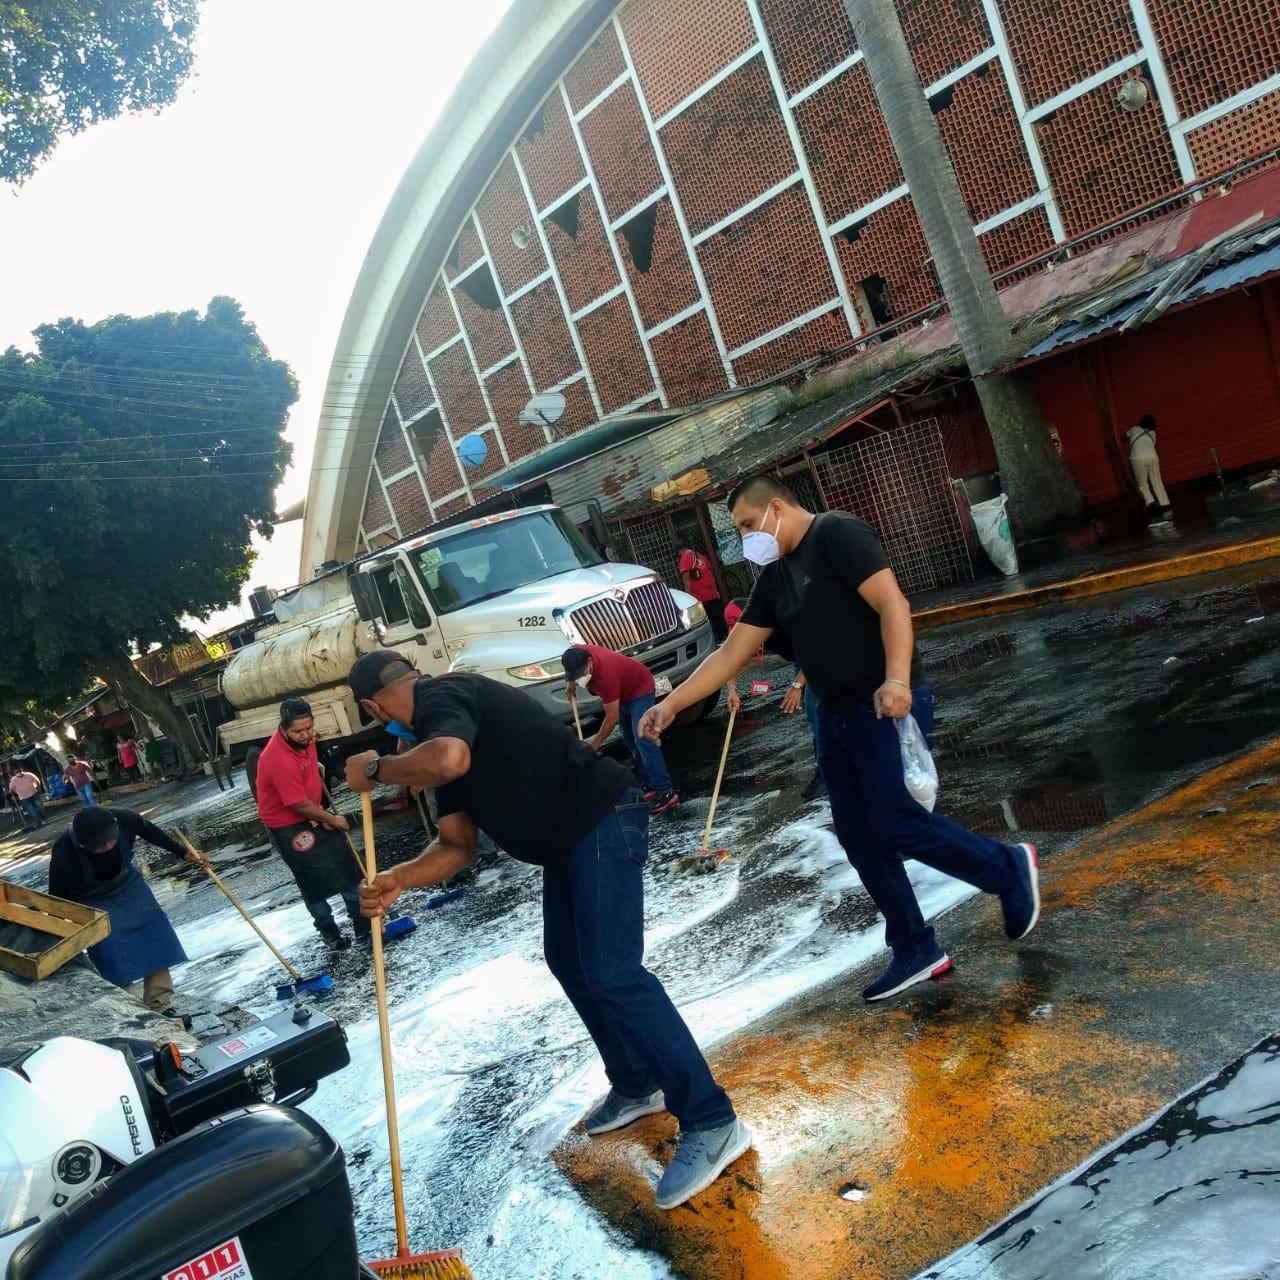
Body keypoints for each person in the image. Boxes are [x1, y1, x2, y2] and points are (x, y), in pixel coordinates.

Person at [343, 650, 750, 1210]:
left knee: (612, 973)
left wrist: (375, 771)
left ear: (373, 707)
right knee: (570, 961)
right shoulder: (435, 737)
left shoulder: (443, 696)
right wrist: (399, 878)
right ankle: (636, 1083)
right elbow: (456, 846)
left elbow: (450, 759)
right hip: (568, 841)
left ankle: (712, 1119)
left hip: (601, 817)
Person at [640, 477, 1040, 1003]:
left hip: (883, 702)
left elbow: (892, 605)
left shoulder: (836, 534)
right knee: (858, 836)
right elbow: (730, 654)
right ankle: (915, 947)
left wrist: (896, 679)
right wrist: (670, 704)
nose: (746, 539)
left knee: (895, 821)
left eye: (747, 525)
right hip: (834, 715)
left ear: (776, 507)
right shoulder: (774, 577)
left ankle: (1007, 868)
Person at [48, 806, 206, 1017]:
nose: (107, 846)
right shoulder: (64, 855)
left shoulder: (124, 819)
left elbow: (149, 831)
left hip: (129, 886)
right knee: (110, 952)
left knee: (155, 937)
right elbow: (57, 902)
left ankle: (160, 1002)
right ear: (83, 844)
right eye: (99, 845)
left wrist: (183, 852)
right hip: (92, 900)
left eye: (110, 840)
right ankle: (129, 1012)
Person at [253, 697, 368, 952]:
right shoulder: (277, 758)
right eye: (299, 731)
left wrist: (312, 771)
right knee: (312, 881)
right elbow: (297, 804)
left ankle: (363, 922)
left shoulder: (306, 740)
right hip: (287, 825)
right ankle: (330, 933)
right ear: (283, 729)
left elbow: (306, 769)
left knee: (346, 865)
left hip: (313, 810)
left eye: (309, 728)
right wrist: (332, 819)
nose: (306, 735)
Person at [561, 644, 679, 816]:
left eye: (580, 674)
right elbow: (573, 664)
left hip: (640, 688)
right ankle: (648, 784)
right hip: (621, 692)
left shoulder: (606, 676)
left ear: (589, 662)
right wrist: (571, 682)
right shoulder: (576, 651)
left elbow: (611, 718)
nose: (580, 680)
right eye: (575, 675)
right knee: (630, 739)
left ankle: (665, 792)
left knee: (643, 739)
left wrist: (593, 746)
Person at [1126, 413, 1172, 519]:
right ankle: (1165, 504)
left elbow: (1125, 436)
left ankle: (1151, 505)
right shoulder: (1153, 433)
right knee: (1157, 481)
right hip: (1153, 457)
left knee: (1143, 484)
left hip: (1138, 458)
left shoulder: (1134, 429)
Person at [678, 545, 726, 641]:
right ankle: (724, 636)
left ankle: (714, 639)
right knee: (717, 616)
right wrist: (715, 590)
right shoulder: (701, 556)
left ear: (680, 551)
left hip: (698, 595)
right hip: (711, 592)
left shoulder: (684, 559)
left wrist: (688, 596)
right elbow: (711, 575)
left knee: (705, 619)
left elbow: (687, 579)